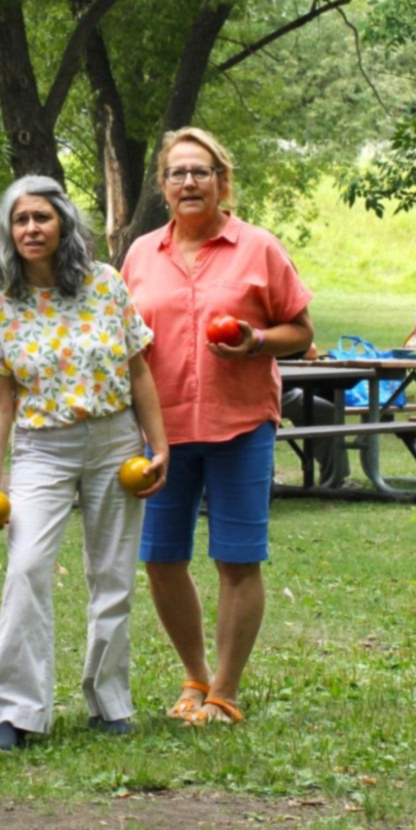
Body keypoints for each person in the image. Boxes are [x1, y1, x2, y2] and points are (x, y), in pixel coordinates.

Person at [0, 176, 169, 751]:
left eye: (42, 218)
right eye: (20, 219)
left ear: (63, 225)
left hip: (115, 443)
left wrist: (160, 445)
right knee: (26, 568)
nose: (31, 228)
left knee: (112, 576)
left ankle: (110, 702)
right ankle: (14, 712)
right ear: (9, 230)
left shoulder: (105, 285)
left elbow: (138, 371)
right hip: (43, 449)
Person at [120, 127, 313, 724]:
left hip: (240, 424)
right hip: (163, 431)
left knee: (237, 559)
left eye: (200, 172)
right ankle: (194, 676)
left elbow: (301, 334)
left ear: (221, 181)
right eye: (177, 173)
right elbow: (123, 344)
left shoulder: (258, 248)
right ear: (164, 186)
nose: (188, 182)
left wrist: (255, 340)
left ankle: (225, 691)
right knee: (161, 558)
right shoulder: (139, 255)